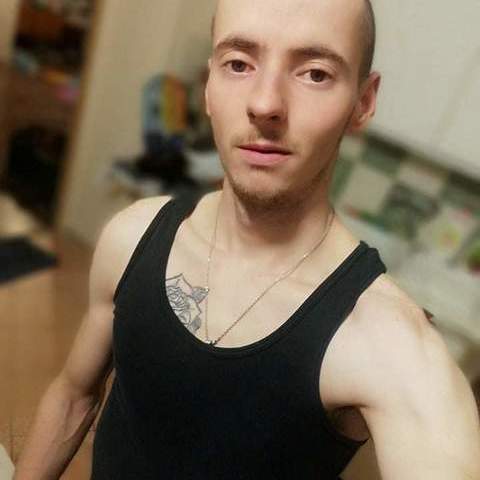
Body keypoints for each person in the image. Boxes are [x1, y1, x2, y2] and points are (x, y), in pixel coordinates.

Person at [14, 0, 480, 478]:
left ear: (362, 102)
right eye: (238, 64)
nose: (265, 103)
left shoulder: (391, 343)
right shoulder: (132, 236)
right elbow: (72, 399)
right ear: (208, 86)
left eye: (315, 73)